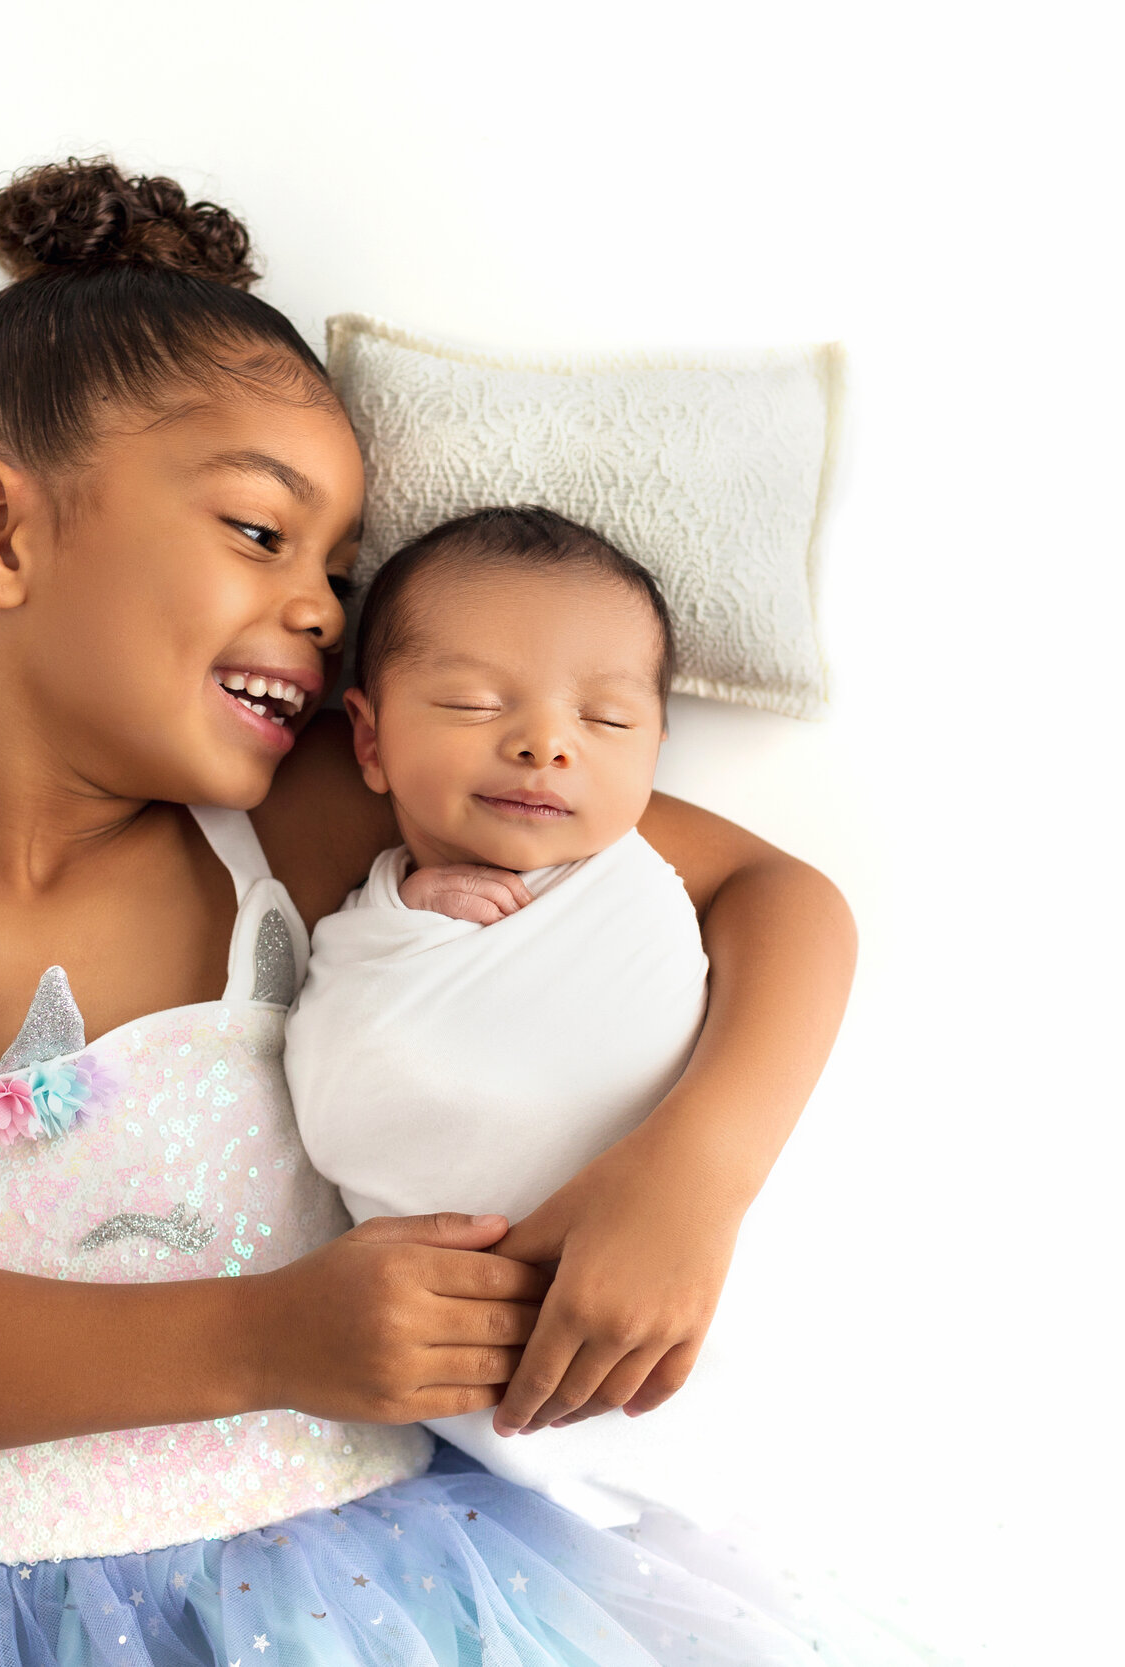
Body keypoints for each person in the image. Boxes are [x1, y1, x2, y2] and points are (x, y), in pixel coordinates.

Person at [0, 158, 896, 1667]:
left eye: (342, 568)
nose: (322, 608)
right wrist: (269, 1337)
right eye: (258, 531)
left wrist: (692, 1179)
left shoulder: (298, 829)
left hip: (337, 1598)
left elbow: (776, 898)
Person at [285, 506, 719, 1529]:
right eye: (475, 702)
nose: (542, 743)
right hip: (466, 1415)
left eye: (606, 721)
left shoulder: (643, 884)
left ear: (655, 750)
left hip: (685, 1323)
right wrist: (403, 926)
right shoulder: (360, 923)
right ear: (371, 738)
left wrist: (688, 1183)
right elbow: (340, 1105)